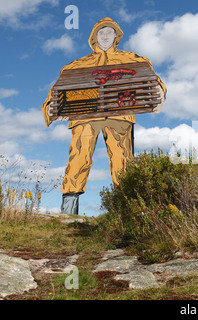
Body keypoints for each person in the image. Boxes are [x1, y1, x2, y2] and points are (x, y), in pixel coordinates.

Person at [42, 18, 166, 215]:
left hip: (120, 117)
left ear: (116, 36)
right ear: (94, 37)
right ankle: (68, 213)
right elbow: (59, 89)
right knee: (78, 158)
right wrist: (50, 108)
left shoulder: (133, 60)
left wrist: (159, 91)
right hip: (85, 118)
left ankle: (126, 211)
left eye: (110, 32)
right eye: (101, 32)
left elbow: (152, 80)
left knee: (122, 159)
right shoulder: (76, 65)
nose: (105, 36)